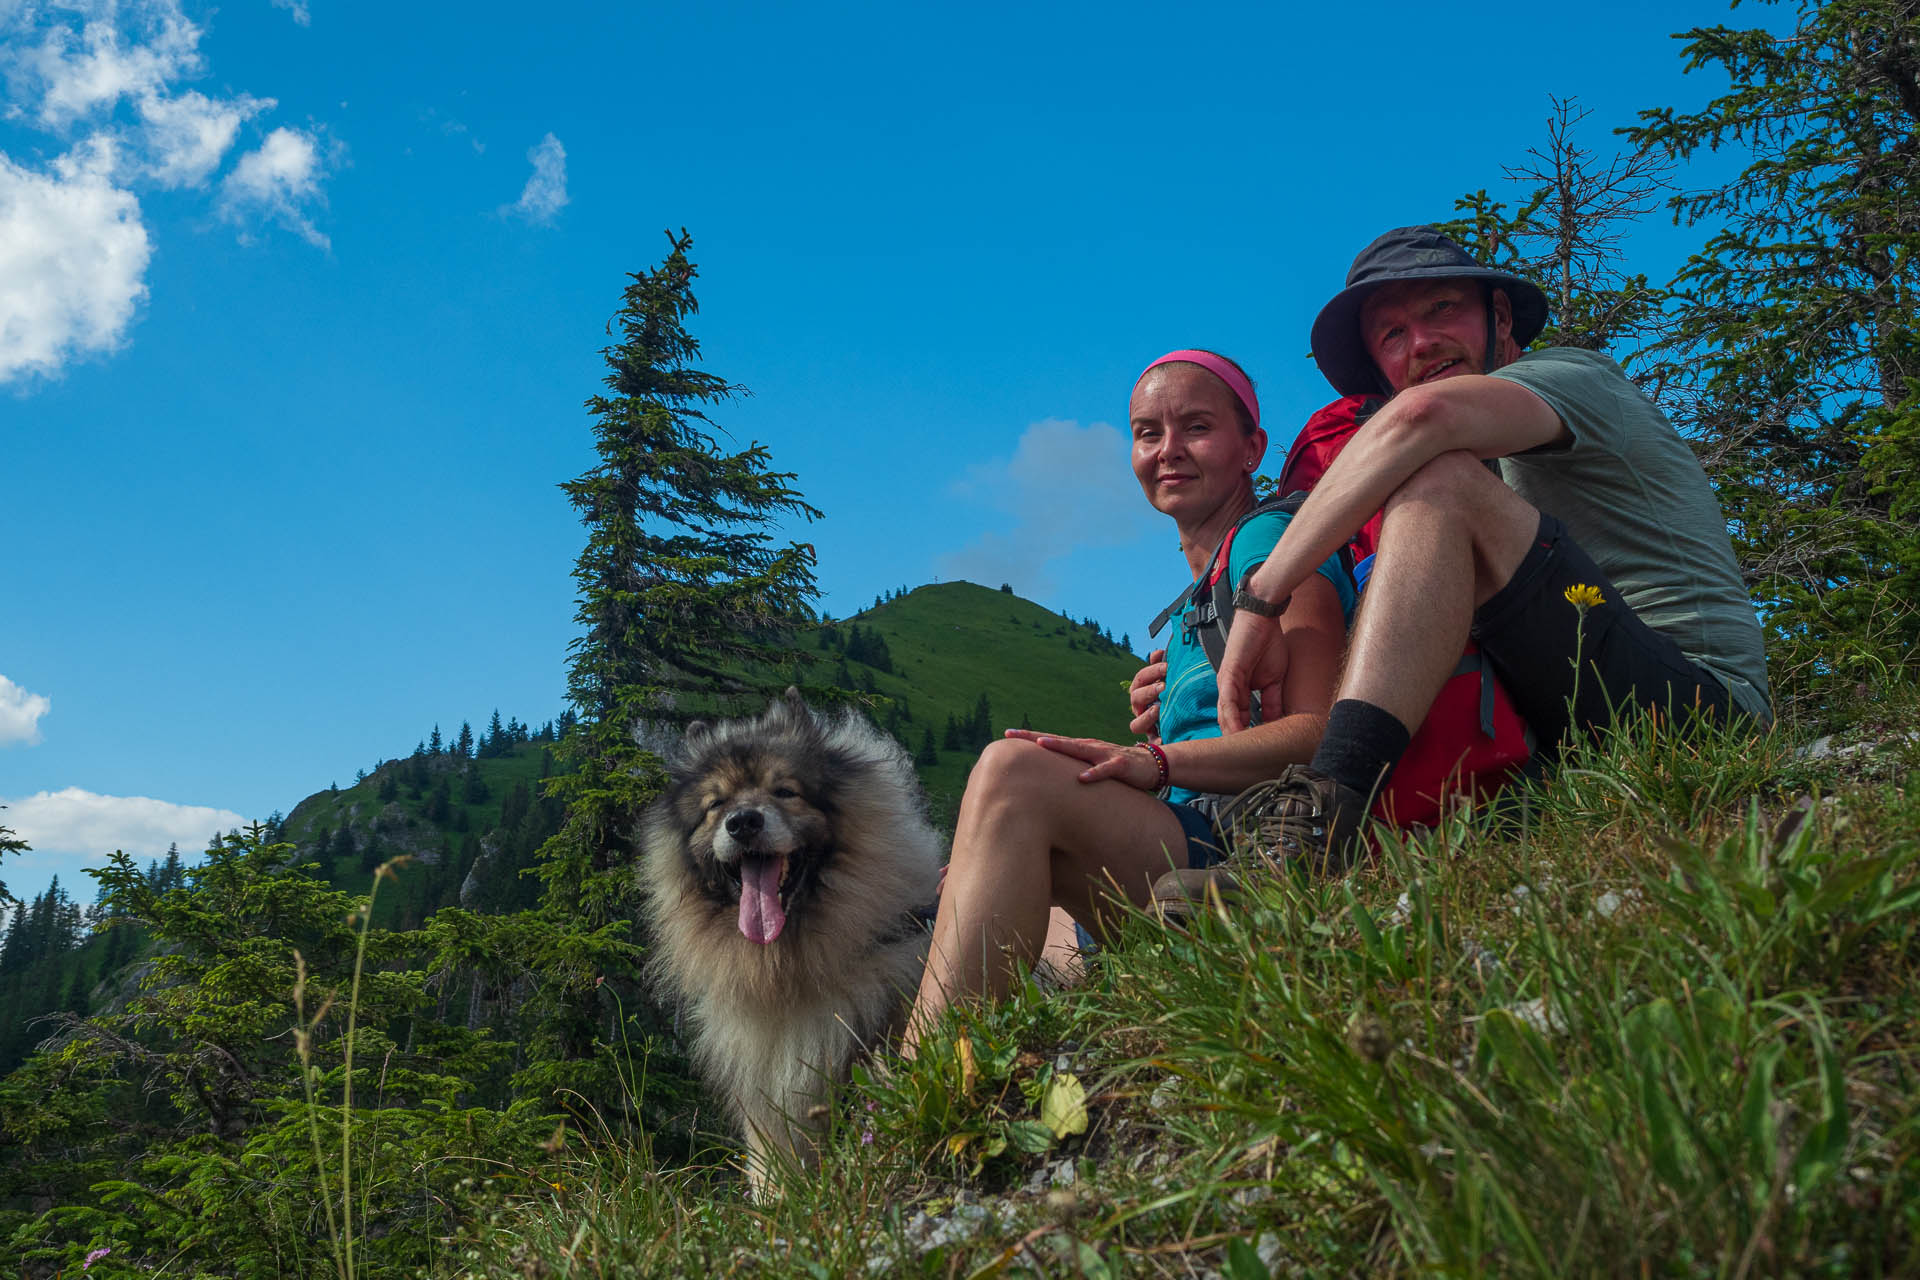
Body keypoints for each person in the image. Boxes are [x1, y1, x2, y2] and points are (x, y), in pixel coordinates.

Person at [1211, 226, 1772, 871]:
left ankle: (1319, 827)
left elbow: (1422, 419)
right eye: (1392, 335)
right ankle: (1315, 839)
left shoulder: (1572, 378)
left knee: (1439, 481)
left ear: (1499, 317)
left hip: (1703, 711)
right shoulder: (1488, 468)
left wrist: (1261, 597)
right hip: (1573, 731)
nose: (1421, 343)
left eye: (1440, 309)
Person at [901, 350, 1355, 1052]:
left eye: (1196, 427)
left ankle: (920, 1091)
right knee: (962, 881)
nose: (1168, 450)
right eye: (1148, 433)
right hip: (1191, 844)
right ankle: (938, 1081)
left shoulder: (1271, 542)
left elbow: (1321, 733)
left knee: (1012, 770)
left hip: (1255, 847)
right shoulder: (1191, 602)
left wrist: (1158, 762)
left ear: (1251, 449)